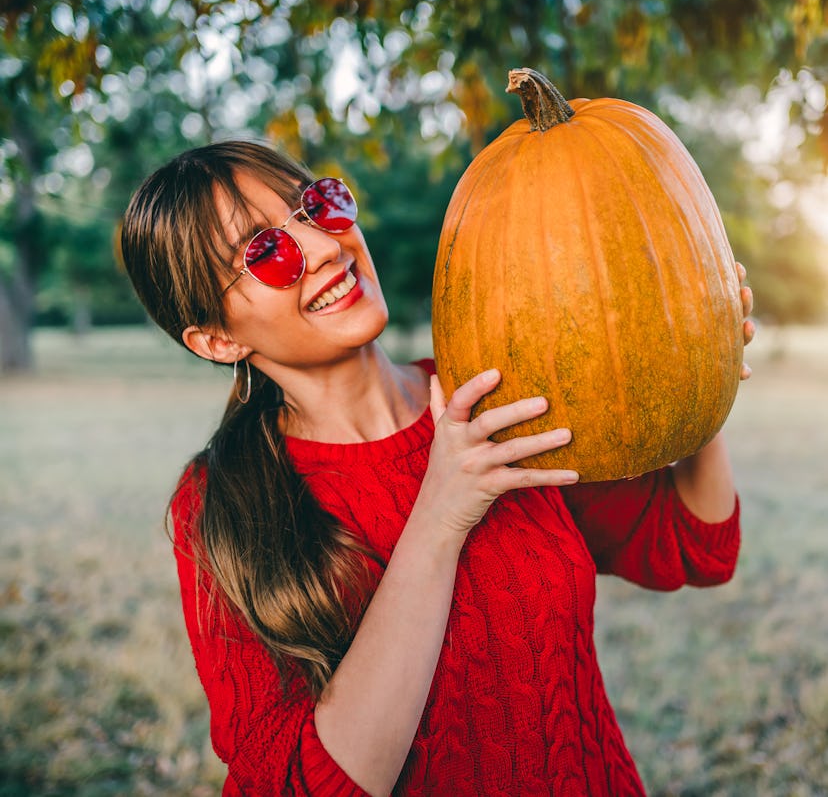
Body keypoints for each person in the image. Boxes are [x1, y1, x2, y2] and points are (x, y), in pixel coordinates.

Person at [120, 139, 755, 797]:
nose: (323, 247)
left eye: (316, 207)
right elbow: (304, 785)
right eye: (264, 252)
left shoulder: (494, 401)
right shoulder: (219, 506)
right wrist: (441, 515)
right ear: (219, 339)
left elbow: (693, 547)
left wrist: (700, 358)